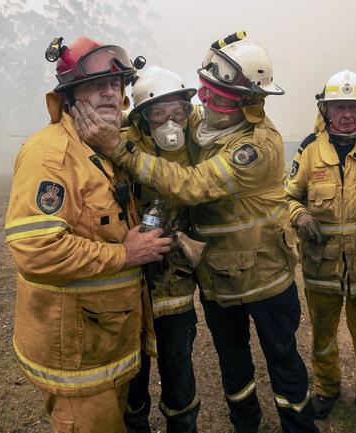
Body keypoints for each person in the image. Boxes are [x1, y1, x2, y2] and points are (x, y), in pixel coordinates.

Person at [96, 32, 319, 433]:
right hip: (219, 282)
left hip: (266, 280)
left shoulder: (256, 145)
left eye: (219, 97)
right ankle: (244, 424)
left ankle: (299, 426)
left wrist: (120, 149)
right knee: (233, 366)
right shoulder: (202, 124)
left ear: (248, 101)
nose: (206, 103)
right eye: (203, 91)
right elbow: (159, 115)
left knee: (283, 360)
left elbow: (192, 185)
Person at [5, 36, 171, 433]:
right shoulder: (52, 154)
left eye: (116, 84)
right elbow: (35, 249)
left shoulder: (102, 147)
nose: (111, 94)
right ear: (69, 96)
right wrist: (125, 256)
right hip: (75, 356)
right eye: (97, 85)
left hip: (105, 342)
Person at [285, 70, 356, 433]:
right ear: (326, 110)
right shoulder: (310, 150)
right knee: (321, 337)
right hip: (321, 267)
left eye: (353, 106)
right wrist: (299, 215)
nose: (346, 114)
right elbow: (286, 196)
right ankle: (326, 390)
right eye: (338, 107)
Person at [121, 66, 203, 433]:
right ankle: (135, 423)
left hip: (177, 283)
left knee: (178, 365)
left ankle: (182, 424)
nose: (171, 121)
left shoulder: (199, 141)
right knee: (132, 368)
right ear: (141, 118)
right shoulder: (120, 148)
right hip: (132, 281)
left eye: (178, 111)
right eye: (158, 113)